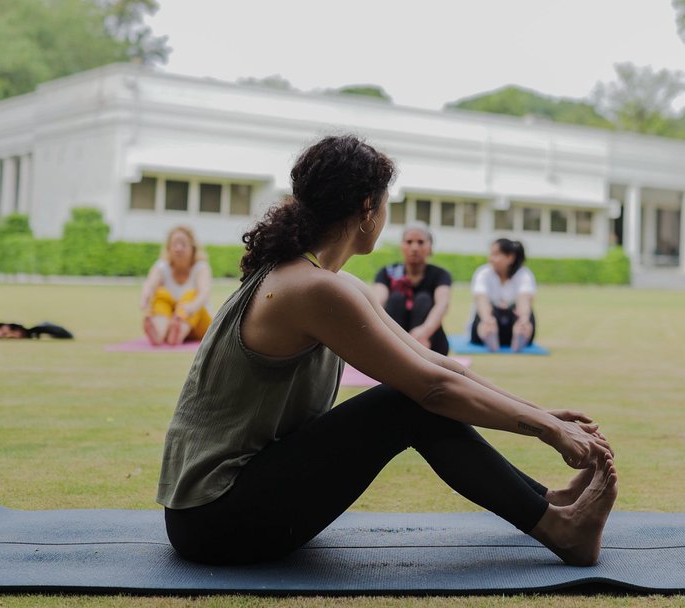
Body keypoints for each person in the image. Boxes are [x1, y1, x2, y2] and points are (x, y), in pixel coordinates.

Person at [157, 135, 617, 568]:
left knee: (412, 398)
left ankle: (546, 504)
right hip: (215, 519)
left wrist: (545, 415)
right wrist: (545, 431)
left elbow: (435, 362)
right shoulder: (311, 289)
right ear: (367, 209)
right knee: (406, 405)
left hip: (225, 507)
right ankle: (561, 530)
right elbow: (432, 389)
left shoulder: (324, 281)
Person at [372, 222, 452, 355]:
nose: (414, 247)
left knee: (423, 299)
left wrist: (424, 331)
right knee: (396, 298)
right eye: (409, 242)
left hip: (429, 342)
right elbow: (377, 303)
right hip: (392, 340)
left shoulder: (440, 275)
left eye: (420, 242)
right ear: (401, 246)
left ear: (430, 247)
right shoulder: (386, 272)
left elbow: (442, 305)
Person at [139, 226, 213, 346]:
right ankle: (159, 333)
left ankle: (178, 332)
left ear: (192, 248)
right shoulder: (162, 267)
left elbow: (204, 294)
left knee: (191, 295)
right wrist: (145, 300)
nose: (178, 248)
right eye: (175, 244)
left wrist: (187, 309)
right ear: (169, 248)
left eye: (183, 244)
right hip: (170, 321)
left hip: (198, 322)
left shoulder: (201, 268)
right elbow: (150, 285)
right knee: (160, 295)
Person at [470, 238, 537, 352]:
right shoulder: (483, 273)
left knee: (524, 315)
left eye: (496, 254)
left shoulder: (524, 274)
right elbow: (481, 298)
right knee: (484, 313)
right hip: (491, 322)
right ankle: (488, 334)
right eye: (491, 254)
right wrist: (487, 319)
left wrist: (523, 319)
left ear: (510, 257)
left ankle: (521, 333)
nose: (490, 258)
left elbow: (524, 299)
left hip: (513, 324)